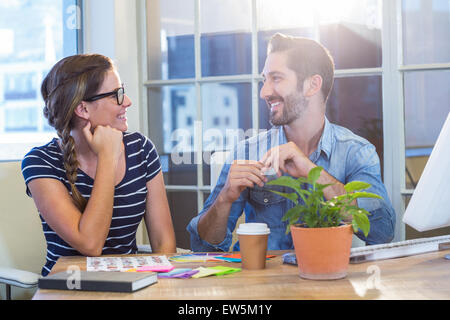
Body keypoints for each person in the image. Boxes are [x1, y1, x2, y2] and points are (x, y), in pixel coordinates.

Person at [187, 33, 396, 252]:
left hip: (327, 279)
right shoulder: (248, 150)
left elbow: (382, 233)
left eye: (276, 78)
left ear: (312, 85)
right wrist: (224, 198)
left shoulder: (356, 152)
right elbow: (202, 247)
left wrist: (311, 171)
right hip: (261, 281)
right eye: (264, 80)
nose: (264, 92)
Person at [21, 54, 176, 276]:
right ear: (83, 109)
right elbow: (91, 244)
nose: (127, 101)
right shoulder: (40, 162)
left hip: (131, 286)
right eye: (117, 95)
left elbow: (164, 244)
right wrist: (107, 157)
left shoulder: (140, 149)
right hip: (69, 289)